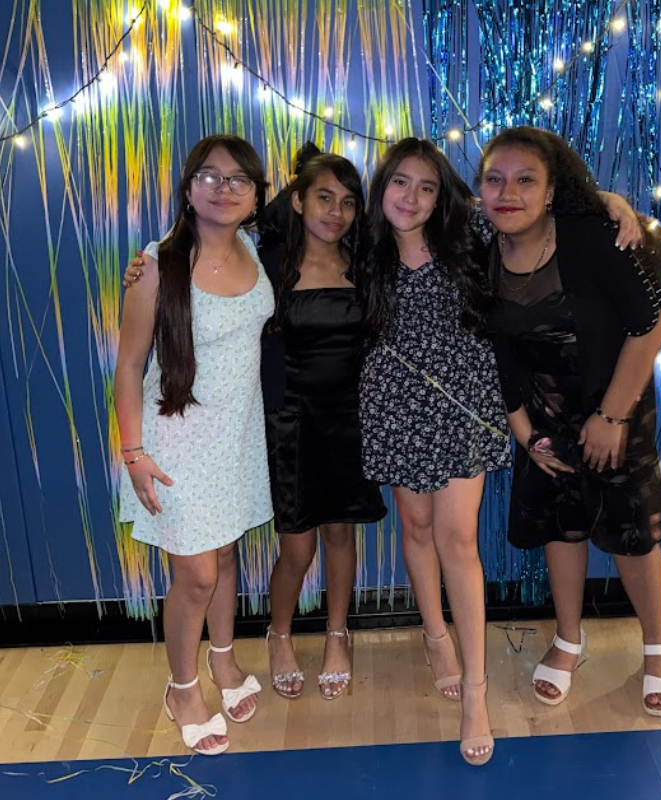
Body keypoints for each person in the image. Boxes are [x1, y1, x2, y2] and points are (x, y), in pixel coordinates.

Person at [479, 126, 661, 717]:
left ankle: (656, 643)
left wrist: (611, 417)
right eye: (494, 179)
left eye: (524, 180)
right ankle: (568, 638)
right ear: (479, 190)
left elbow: (651, 324)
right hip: (543, 423)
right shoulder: (479, 251)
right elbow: (497, 356)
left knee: (633, 534)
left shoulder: (593, 238)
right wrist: (526, 434)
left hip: (615, 412)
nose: (507, 192)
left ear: (550, 190)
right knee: (561, 530)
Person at [115, 134, 273, 756]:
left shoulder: (258, 251)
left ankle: (225, 661)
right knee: (198, 576)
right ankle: (183, 687)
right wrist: (133, 453)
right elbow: (129, 366)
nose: (224, 187)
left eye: (239, 179)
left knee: (227, 557)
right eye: (210, 176)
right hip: (176, 440)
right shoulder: (156, 264)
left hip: (236, 438)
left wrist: (607, 203)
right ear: (188, 189)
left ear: (256, 196)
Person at [358, 137, 511, 766]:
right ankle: (434, 636)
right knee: (415, 528)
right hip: (394, 404)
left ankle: (476, 691)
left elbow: (542, 208)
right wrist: (153, 259)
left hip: (462, 404)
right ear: (382, 187)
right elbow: (271, 224)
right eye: (400, 182)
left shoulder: (469, 233)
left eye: (425, 186)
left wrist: (609, 202)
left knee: (459, 540)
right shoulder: (360, 248)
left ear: (441, 193)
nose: (411, 197)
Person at [261, 154, 387, 701]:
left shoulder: (368, 264)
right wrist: (147, 262)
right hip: (290, 423)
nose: (336, 212)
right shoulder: (266, 264)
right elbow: (197, 248)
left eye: (348, 201)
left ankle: (339, 635)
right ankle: (278, 634)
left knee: (340, 535)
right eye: (323, 197)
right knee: (296, 551)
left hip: (351, 423)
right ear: (297, 200)